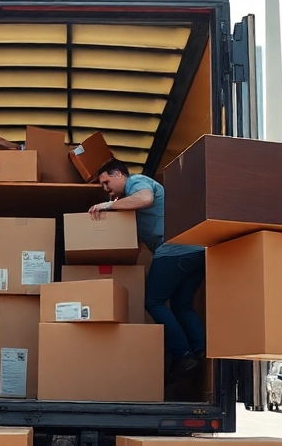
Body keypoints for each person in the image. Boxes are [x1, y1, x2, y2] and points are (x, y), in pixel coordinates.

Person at [87, 159, 206, 378]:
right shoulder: (128, 198)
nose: (105, 189)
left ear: (119, 175)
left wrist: (107, 206)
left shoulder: (136, 181)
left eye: (106, 183)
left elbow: (145, 198)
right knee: (181, 304)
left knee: (153, 302)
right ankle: (200, 349)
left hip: (174, 249)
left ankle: (183, 354)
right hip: (195, 251)